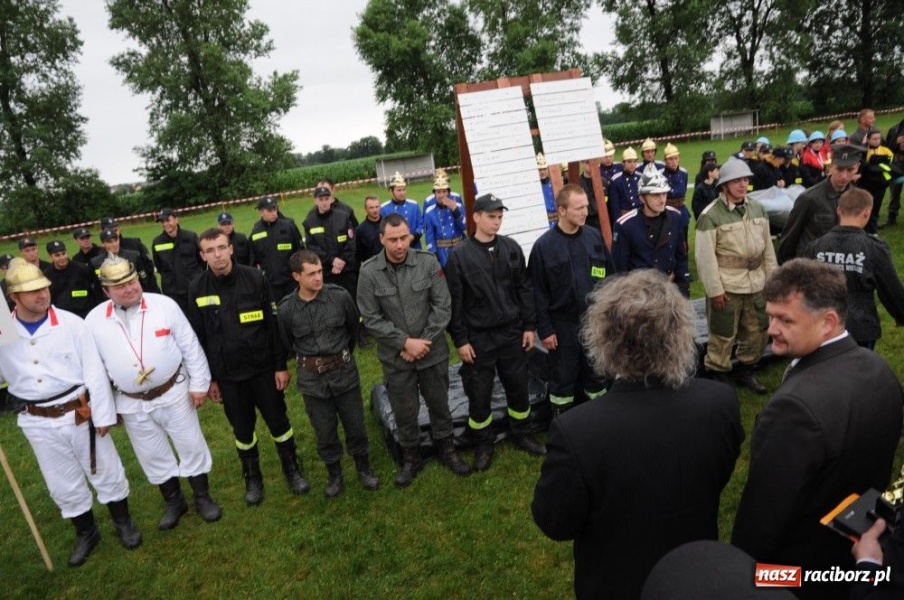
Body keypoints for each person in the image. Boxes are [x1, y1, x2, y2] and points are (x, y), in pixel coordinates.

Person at [532, 269, 743, 600]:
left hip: (617, 584)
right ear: (680, 334)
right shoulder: (720, 402)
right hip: (697, 574)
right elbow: (720, 472)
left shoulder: (577, 432)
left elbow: (555, 522)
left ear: (604, 338)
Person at [732, 259, 903, 600]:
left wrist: (743, 574)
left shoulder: (793, 410)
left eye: (785, 320)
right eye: (770, 316)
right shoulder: (879, 368)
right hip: (854, 548)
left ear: (828, 322)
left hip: (797, 573)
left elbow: (762, 519)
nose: (771, 329)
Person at [0, 258, 140, 567]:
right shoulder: (3, 332)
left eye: (44, 287)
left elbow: (94, 372)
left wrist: (103, 414)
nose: (42, 294)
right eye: (32, 291)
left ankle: (123, 522)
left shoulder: (71, 324)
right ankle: (87, 532)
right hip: (37, 419)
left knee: (105, 469)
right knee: (60, 481)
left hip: (80, 411)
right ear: (14, 297)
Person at [86, 255, 222, 531]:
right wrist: (105, 411)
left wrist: (199, 384)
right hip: (132, 402)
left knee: (190, 445)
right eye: (120, 286)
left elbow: (190, 345)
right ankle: (174, 502)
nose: (129, 288)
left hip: (175, 391)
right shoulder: (94, 321)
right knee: (152, 454)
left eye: (132, 281)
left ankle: (202, 497)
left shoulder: (164, 305)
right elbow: (95, 371)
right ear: (106, 291)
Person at [187, 229, 310, 506]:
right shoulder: (197, 288)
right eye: (210, 250)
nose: (217, 255)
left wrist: (280, 366)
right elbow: (197, 339)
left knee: (279, 423)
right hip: (228, 377)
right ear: (202, 255)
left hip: (263, 370)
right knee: (242, 430)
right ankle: (252, 478)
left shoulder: (255, 278)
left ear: (231, 248)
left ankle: (292, 469)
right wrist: (209, 380)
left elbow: (272, 326)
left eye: (221, 247)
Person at [357, 213, 470, 487]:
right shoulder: (368, 272)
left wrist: (422, 343)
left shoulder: (428, 262)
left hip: (432, 353)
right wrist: (405, 343)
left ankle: (447, 450)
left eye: (404, 238)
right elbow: (370, 318)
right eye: (393, 239)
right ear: (381, 239)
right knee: (404, 409)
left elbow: (443, 306)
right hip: (396, 358)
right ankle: (411, 457)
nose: (400, 245)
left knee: (439, 403)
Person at [444, 193, 545, 471]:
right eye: (491, 216)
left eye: (500, 217)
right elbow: (455, 303)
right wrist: (461, 340)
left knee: (518, 385)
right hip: (479, 337)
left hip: (512, 333)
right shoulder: (460, 256)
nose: (497, 222)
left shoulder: (511, 248)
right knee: (479, 392)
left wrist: (529, 326)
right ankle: (484, 443)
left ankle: (523, 433)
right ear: (476, 217)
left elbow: (524, 288)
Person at [277, 250, 378, 497]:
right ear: (296, 276)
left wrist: (339, 357)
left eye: (320, 271)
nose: (318, 277)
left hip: (344, 372)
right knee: (324, 431)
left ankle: (363, 468)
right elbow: (287, 342)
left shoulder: (340, 297)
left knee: (355, 424)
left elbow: (353, 331)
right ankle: (334, 475)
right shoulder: (287, 309)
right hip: (312, 381)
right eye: (311, 274)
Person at [529, 184, 615, 414]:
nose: (586, 212)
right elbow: (537, 292)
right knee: (563, 379)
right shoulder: (543, 247)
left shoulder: (594, 236)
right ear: (562, 210)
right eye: (579, 208)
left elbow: (610, 278)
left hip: (595, 323)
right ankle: (563, 421)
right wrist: (546, 330)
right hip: (562, 327)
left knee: (597, 375)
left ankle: (598, 419)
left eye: (586, 206)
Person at [695, 158, 777, 394]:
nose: (742, 185)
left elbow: (768, 250)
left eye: (745, 180)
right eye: (736, 181)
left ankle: (746, 370)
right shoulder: (710, 216)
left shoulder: (758, 209)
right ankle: (718, 372)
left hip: (757, 285)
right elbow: (705, 258)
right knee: (722, 334)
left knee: (758, 331)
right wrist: (715, 291)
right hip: (727, 288)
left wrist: (773, 282)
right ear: (724, 185)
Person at [805, 188, 904, 349]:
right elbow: (891, 288)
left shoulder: (816, 246)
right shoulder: (874, 248)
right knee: (859, 365)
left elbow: (803, 286)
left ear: (839, 210)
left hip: (822, 323)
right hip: (861, 327)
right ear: (867, 213)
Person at [778, 143, 863, 263]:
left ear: (858, 167)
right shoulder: (809, 198)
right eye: (839, 169)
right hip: (812, 265)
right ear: (830, 166)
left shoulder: (857, 198)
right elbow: (790, 237)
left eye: (850, 169)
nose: (844, 176)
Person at [613, 165, 690, 296]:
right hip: (638, 295)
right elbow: (619, 270)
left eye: (664, 193)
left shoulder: (675, 217)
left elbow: (681, 257)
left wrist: (684, 289)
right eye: (655, 195)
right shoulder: (625, 225)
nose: (662, 200)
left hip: (669, 290)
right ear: (642, 197)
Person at [303, 185, 357, 297]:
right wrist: (331, 260)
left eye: (327, 199)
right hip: (326, 273)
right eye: (321, 199)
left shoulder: (343, 217)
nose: (324, 202)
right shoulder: (309, 222)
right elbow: (312, 247)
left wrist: (342, 261)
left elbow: (351, 241)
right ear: (315, 201)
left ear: (331, 199)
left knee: (350, 301)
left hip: (346, 270)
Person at [249, 196, 306, 301]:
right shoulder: (255, 232)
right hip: (271, 285)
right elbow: (253, 261)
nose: (274, 213)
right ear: (261, 212)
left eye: (275, 209)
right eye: (270, 211)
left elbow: (301, 252)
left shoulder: (288, 226)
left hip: (291, 281)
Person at [152, 208, 203, 313]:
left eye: (168, 220)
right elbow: (159, 266)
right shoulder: (157, 242)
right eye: (162, 222)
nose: (165, 224)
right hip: (172, 292)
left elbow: (202, 260)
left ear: (176, 220)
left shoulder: (191, 237)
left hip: (193, 288)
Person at [42, 240, 103, 319]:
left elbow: (97, 290)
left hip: (85, 314)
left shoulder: (82, 269)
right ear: (50, 257)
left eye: (63, 253)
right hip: (63, 318)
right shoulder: (47, 275)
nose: (62, 257)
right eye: (57, 255)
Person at [92, 227, 160, 294]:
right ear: (102, 244)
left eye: (116, 240)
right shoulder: (96, 262)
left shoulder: (133, 256)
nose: (114, 244)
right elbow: (98, 288)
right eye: (110, 242)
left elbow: (144, 279)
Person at [423, 174, 466, 268]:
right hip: (443, 253)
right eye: (438, 192)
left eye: (444, 191)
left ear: (448, 192)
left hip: (460, 249)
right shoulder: (430, 212)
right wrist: (434, 254)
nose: (441, 195)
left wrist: (455, 210)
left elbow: (464, 227)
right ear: (434, 194)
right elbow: (429, 237)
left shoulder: (458, 206)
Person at [860, 128, 898, 233]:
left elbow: (892, 164)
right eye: (874, 139)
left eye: (879, 138)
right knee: (866, 205)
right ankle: (865, 226)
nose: (877, 141)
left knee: (877, 204)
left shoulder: (886, 150)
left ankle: (873, 226)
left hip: (880, 183)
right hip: (867, 183)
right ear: (868, 140)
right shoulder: (864, 151)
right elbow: (862, 165)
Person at [100, 217, 156, 283]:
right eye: (111, 230)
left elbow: (149, 266)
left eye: (116, 230)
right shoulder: (100, 254)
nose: (114, 233)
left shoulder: (135, 243)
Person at [380, 172, 424, 248]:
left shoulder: (414, 205)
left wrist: (413, 236)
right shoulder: (384, 208)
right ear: (391, 191)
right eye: (399, 190)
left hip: (414, 246)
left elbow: (421, 225)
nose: (402, 193)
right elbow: (383, 230)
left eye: (404, 190)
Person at [607, 147, 642, 226]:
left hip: (640, 215)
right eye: (629, 162)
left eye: (634, 161)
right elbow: (615, 207)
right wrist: (618, 224)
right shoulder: (616, 180)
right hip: (625, 217)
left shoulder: (640, 177)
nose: (632, 164)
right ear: (623, 163)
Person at [355, 195, 383, 266]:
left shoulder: (388, 224)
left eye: (377, 207)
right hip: (370, 267)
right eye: (371, 208)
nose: (375, 210)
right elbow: (358, 254)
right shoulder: (360, 230)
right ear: (365, 209)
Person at [537, 152, 557, 228]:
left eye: (544, 169)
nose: (542, 172)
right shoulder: (534, 187)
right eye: (540, 169)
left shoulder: (554, 184)